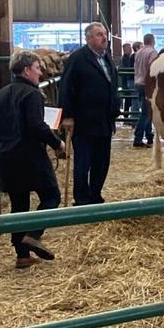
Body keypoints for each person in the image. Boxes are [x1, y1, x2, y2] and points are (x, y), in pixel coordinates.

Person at [0, 50, 66, 269]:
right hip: (30, 155)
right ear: (26, 70)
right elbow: (36, 125)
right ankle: (33, 234)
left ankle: (22, 256)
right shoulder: (32, 94)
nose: (41, 73)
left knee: (19, 204)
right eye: (37, 69)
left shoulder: (1, 93)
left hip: (6, 156)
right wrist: (57, 143)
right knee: (52, 195)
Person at [59, 22, 120, 205]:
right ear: (89, 38)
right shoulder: (78, 58)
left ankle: (95, 194)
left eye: (105, 34)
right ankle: (82, 199)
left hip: (104, 120)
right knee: (83, 163)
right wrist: (68, 116)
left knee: (102, 162)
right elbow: (66, 87)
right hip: (84, 121)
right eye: (99, 34)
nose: (104, 38)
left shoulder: (107, 58)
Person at [132, 33, 158, 148]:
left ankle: (149, 137)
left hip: (138, 82)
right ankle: (138, 138)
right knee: (146, 113)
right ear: (153, 40)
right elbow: (153, 69)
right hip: (147, 84)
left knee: (147, 111)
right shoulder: (152, 52)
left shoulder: (138, 52)